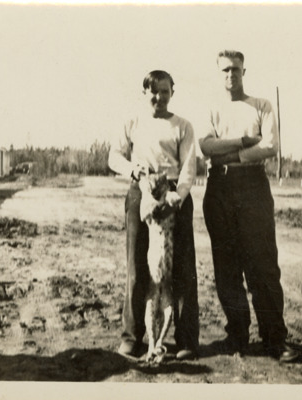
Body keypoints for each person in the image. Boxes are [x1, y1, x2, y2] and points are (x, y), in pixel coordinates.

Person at [198, 50, 299, 363]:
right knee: (227, 268)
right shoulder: (211, 108)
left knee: (263, 265)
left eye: (236, 69)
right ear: (220, 73)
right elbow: (205, 146)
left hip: (253, 186)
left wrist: (229, 154)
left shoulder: (262, 105)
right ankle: (237, 336)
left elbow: (270, 146)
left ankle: (274, 338)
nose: (231, 74)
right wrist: (243, 142)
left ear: (244, 71)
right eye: (225, 70)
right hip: (219, 188)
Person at [108, 70, 199, 361]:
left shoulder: (183, 126)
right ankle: (132, 337)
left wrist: (177, 197)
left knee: (182, 267)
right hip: (141, 191)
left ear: (172, 92)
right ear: (145, 92)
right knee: (137, 264)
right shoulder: (132, 122)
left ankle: (186, 339)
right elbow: (114, 157)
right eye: (153, 91)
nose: (159, 97)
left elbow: (189, 167)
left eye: (165, 91)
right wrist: (134, 170)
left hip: (173, 194)